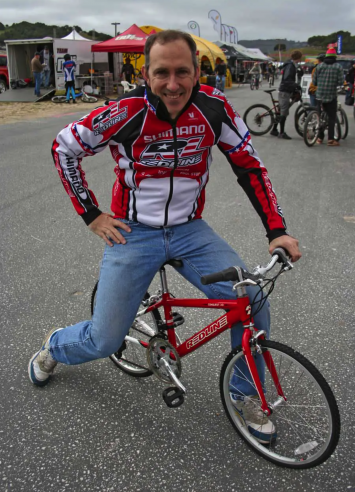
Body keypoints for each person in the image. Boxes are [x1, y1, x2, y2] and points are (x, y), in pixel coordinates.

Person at [29, 30, 301, 443]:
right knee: (104, 340)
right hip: (134, 233)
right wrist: (91, 214)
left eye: (182, 72)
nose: (172, 84)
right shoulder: (125, 111)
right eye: (161, 73)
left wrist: (277, 230)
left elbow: (250, 166)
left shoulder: (214, 107)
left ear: (197, 71)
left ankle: (244, 395)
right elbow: (64, 148)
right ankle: (56, 346)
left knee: (252, 302)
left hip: (191, 231)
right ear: (146, 73)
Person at [313, 47, 344, 147]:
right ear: (335, 57)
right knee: (331, 117)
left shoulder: (319, 66)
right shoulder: (338, 67)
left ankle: (319, 138)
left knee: (319, 116)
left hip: (319, 95)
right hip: (331, 95)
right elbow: (340, 82)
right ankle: (330, 139)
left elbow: (314, 82)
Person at [270, 50, 303, 139]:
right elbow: (287, 79)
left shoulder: (291, 65)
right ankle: (281, 133)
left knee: (280, 110)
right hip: (285, 91)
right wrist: (296, 85)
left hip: (287, 90)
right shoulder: (290, 66)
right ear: (298, 58)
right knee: (283, 112)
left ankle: (274, 130)